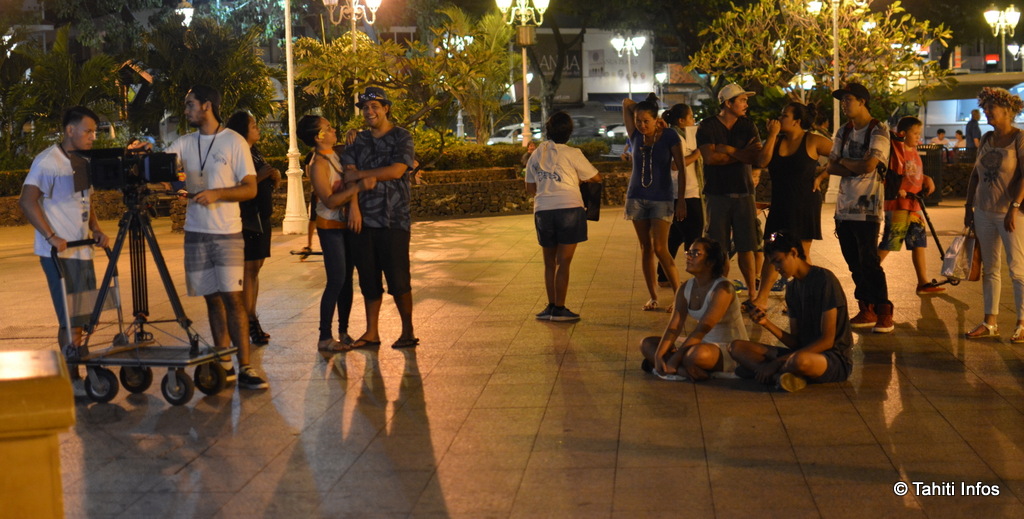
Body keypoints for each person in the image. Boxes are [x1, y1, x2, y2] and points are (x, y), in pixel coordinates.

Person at [165, 85, 268, 389]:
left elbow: (250, 188)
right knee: (212, 299)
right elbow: (163, 169)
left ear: (206, 106)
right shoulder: (184, 143)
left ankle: (246, 366)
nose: (186, 110)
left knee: (233, 299)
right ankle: (225, 361)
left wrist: (217, 193)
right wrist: (175, 185)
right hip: (196, 233)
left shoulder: (233, 142)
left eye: (189, 104)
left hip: (227, 233)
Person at [19, 106, 111, 359]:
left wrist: (96, 229)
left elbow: (86, 201)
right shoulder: (48, 162)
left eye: (94, 131)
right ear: (70, 130)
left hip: (82, 249)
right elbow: (27, 201)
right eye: (88, 131)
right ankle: (71, 374)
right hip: (59, 253)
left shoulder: (84, 162)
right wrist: (51, 236)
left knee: (83, 316)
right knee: (69, 319)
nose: (93, 136)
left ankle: (83, 364)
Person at [341, 86, 418, 350]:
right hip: (362, 220)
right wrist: (354, 206)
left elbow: (397, 171)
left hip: (395, 219)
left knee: (399, 279)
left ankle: (408, 331)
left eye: (375, 106)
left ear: (386, 108)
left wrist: (363, 175)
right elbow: (348, 174)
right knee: (368, 280)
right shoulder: (356, 140)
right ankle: (371, 332)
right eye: (365, 107)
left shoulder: (402, 137)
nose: (369, 111)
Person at [730, 231, 853, 392]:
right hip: (801, 352)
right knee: (736, 347)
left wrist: (776, 362)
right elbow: (796, 342)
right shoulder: (792, 288)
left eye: (778, 261)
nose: (776, 268)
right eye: (773, 264)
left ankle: (766, 370)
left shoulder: (824, 279)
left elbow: (827, 341)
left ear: (794, 253)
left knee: (799, 361)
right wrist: (766, 323)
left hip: (832, 358)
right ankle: (779, 377)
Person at [298, 115, 375, 354]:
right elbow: (330, 201)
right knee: (336, 280)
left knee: (345, 281)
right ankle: (324, 336)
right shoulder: (318, 164)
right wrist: (359, 187)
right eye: (328, 128)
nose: (333, 130)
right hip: (330, 227)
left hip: (344, 226)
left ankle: (343, 331)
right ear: (317, 137)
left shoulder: (337, 155)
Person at [751, 102, 832, 310]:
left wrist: (822, 176)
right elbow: (761, 161)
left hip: (804, 203)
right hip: (780, 204)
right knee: (772, 247)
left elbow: (840, 155)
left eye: (784, 115)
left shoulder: (813, 140)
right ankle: (762, 298)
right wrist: (771, 135)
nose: (779, 118)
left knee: (800, 252)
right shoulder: (776, 141)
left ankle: (805, 297)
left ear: (796, 121)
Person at [826, 83, 894, 334]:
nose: (844, 104)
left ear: (862, 101)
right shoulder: (843, 131)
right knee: (854, 263)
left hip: (868, 209)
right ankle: (866, 308)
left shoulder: (878, 130)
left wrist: (843, 161)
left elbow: (870, 166)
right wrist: (849, 163)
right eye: (842, 100)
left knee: (869, 262)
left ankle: (884, 310)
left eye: (848, 99)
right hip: (844, 209)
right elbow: (831, 167)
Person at [526, 111, 602, 322]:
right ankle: (560, 308)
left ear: (548, 131)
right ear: (569, 132)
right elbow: (596, 177)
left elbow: (530, 188)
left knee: (549, 262)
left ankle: (550, 306)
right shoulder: (573, 153)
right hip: (569, 208)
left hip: (543, 210)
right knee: (564, 262)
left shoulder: (536, 155)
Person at [639, 237, 748, 381]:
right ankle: (685, 370)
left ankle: (675, 367)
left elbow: (702, 329)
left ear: (711, 262)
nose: (689, 257)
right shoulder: (686, 287)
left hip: (728, 348)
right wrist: (659, 354)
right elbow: (674, 325)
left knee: (695, 355)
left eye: (696, 254)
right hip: (700, 343)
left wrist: (675, 358)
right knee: (647, 344)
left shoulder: (722, 288)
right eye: (688, 253)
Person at [964, 87, 1024, 343]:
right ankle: (990, 322)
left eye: (991, 108)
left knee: (1017, 269)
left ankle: (1022, 323)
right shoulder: (987, 138)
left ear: (1007, 111)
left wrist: (1015, 206)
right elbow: (975, 174)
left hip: (1011, 212)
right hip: (984, 211)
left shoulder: (1019, 138)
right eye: (985, 107)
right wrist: (969, 207)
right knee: (990, 269)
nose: (986, 112)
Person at [697, 84, 763, 301]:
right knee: (719, 248)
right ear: (728, 103)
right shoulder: (707, 127)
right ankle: (720, 291)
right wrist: (742, 154)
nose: (746, 104)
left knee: (747, 246)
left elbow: (756, 157)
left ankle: (752, 293)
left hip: (744, 192)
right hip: (717, 193)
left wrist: (730, 151)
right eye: (742, 100)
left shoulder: (748, 126)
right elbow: (710, 158)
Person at [622, 93, 686, 311]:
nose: (641, 125)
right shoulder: (635, 135)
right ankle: (653, 296)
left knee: (661, 248)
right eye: (638, 121)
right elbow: (626, 103)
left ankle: (679, 296)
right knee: (646, 248)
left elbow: (682, 169)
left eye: (646, 121)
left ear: (656, 120)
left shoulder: (669, 136)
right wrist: (643, 107)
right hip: (636, 198)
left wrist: (682, 200)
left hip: (662, 198)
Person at [225, 111, 281, 346]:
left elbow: (265, 173)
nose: (257, 128)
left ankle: (251, 317)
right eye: (253, 124)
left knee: (255, 268)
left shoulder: (254, 152)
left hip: (261, 216)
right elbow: (235, 186)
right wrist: (261, 177)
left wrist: (273, 174)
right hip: (247, 218)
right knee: (248, 270)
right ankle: (249, 321)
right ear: (242, 130)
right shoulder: (237, 153)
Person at [877, 116, 942, 295]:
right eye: (915, 133)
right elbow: (888, 176)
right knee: (891, 241)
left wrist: (927, 179)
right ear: (903, 133)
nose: (918, 137)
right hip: (899, 205)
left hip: (914, 204)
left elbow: (915, 173)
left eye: (919, 134)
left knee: (918, 242)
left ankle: (923, 282)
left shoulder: (913, 151)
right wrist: (898, 189)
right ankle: (869, 273)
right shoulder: (895, 152)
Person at [657, 103, 703, 288]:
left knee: (675, 236)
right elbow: (676, 165)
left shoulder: (680, 136)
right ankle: (694, 276)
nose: (693, 121)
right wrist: (698, 154)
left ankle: (663, 275)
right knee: (693, 237)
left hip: (680, 193)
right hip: (686, 194)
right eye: (691, 117)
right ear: (681, 120)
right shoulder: (676, 136)